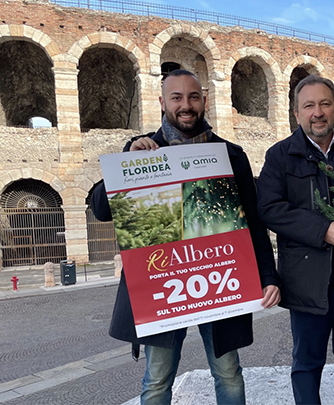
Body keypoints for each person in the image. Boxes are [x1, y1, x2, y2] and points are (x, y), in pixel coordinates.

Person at [90, 69, 281, 405]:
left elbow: (253, 222)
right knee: (157, 379)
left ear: (204, 101)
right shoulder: (141, 149)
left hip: (218, 280)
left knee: (229, 374)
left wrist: (267, 275)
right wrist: (128, 163)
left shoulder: (230, 154)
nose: (186, 105)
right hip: (163, 284)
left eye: (193, 97)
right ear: (163, 102)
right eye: (176, 98)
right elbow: (102, 209)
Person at [256, 75, 334, 405]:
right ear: (296, 114)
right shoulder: (280, 156)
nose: (318, 112)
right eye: (309, 105)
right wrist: (321, 228)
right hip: (307, 281)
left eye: (325, 103)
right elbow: (268, 208)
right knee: (307, 364)